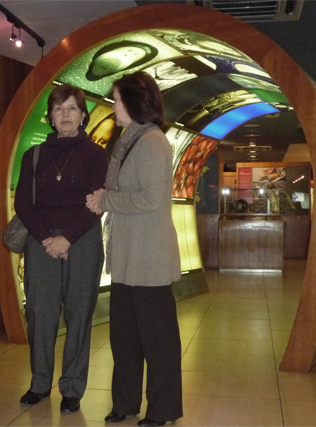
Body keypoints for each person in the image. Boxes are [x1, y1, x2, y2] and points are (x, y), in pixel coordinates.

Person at [86, 71, 183, 427]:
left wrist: (107, 199)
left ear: (133, 101)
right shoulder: (128, 140)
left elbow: (150, 198)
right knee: (124, 338)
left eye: (116, 98)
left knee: (158, 342)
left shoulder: (154, 142)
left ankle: (163, 409)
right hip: (127, 257)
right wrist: (105, 199)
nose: (113, 106)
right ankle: (125, 403)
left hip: (150, 258)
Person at [14, 84, 108, 414]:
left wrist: (67, 238)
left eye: (71, 108)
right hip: (41, 240)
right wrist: (46, 240)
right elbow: (22, 202)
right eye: (58, 109)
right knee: (40, 312)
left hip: (82, 239)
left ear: (83, 115)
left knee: (79, 312)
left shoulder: (97, 155)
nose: (65, 114)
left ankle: (72, 386)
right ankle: (40, 382)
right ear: (51, 117)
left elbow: (98, 202)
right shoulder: (33, 155)